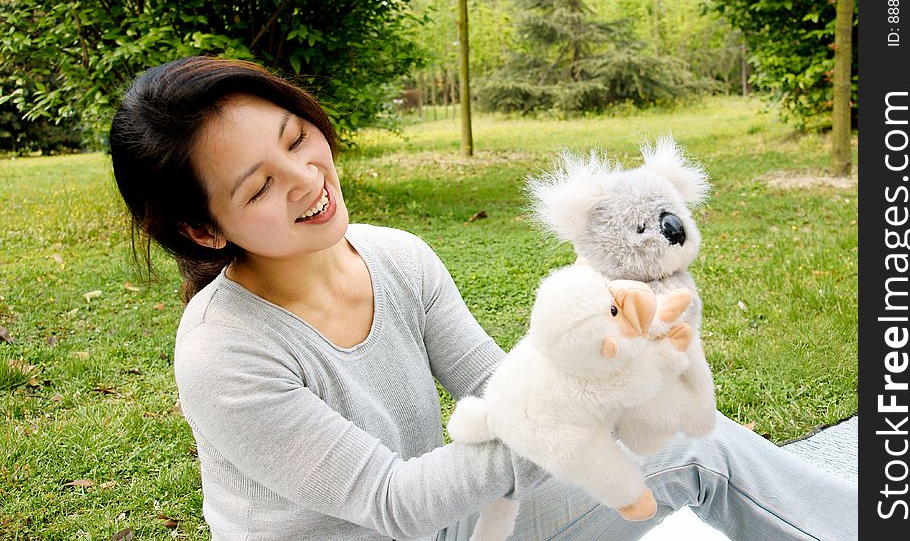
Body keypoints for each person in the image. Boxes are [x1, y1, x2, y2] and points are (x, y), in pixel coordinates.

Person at [108, 56, 857, 541]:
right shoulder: (224, 352)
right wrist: (571, 425)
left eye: (296, 136)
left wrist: (619, 371)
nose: (306, 177)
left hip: (450, 521)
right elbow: (392, 500)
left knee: (701, 443)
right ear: (202, 229)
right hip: (409, 517)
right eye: (260, 185)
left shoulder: (396, 255)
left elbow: (499, 389)